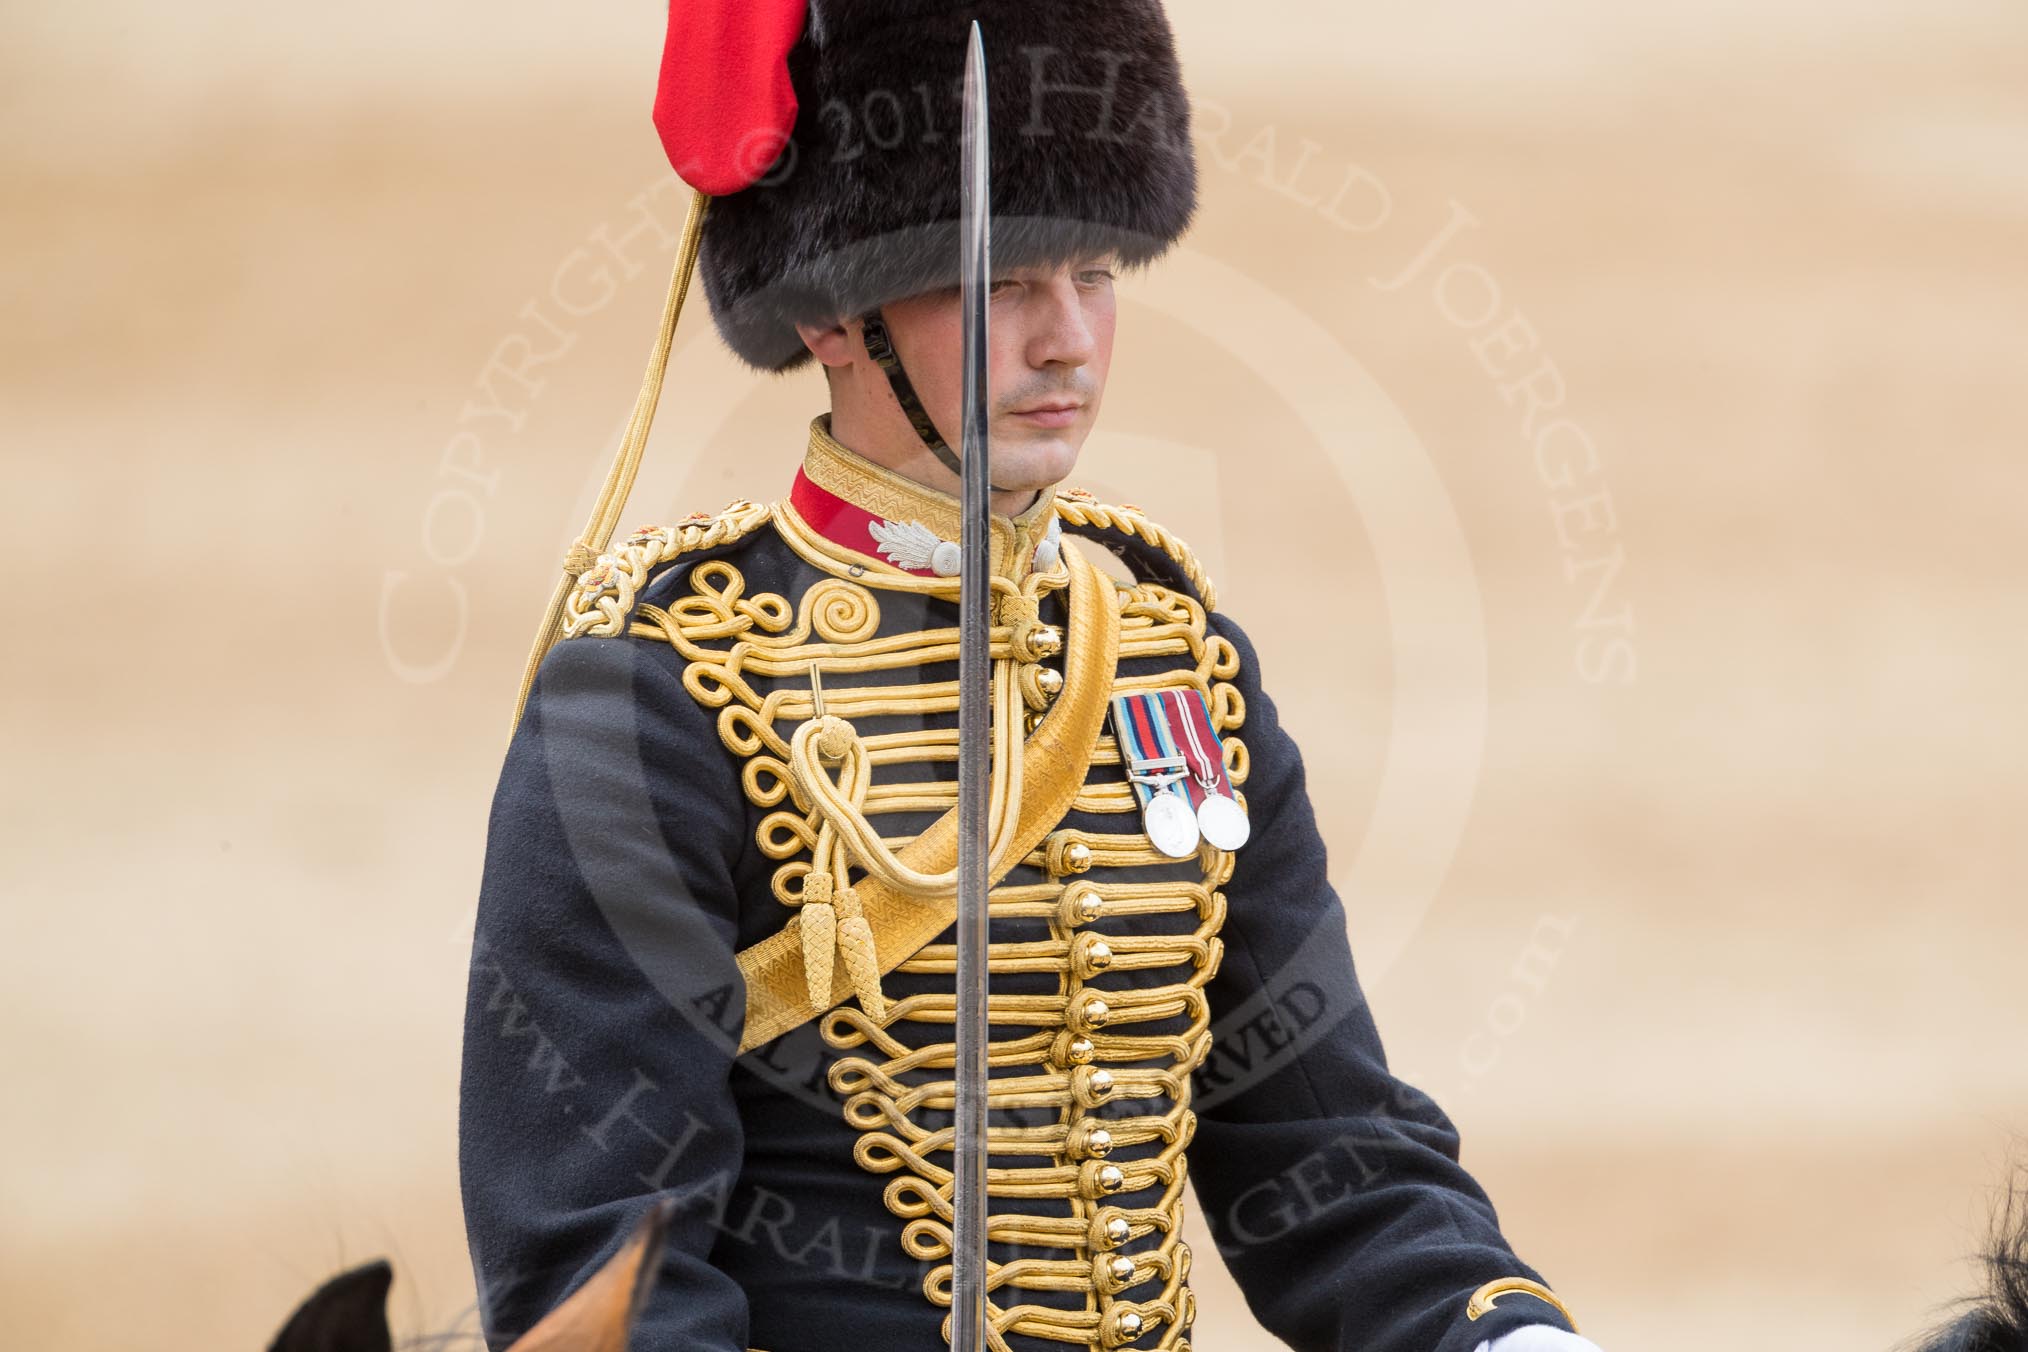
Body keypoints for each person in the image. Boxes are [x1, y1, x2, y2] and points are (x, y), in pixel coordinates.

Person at [458, 5, 1600, 1352]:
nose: (1068, 340)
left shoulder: (1176, 660)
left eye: (1098, 271)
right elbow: (607, 1273)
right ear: (832, 312)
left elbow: (1326, 1153)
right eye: (1004, 281)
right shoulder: (655, 696)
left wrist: (1513, 1340)